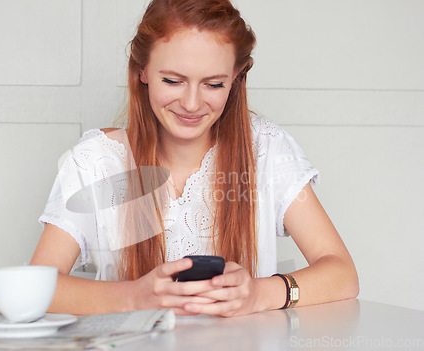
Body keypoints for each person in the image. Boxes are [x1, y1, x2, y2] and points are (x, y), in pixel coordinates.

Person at [30, 0, 358, 317]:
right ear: (142, 70)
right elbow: (37, 288)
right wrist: (135, 297)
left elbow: (342, 273)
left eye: (213, 84)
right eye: (172, 80)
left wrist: (259, 294)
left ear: (236, 77)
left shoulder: (266, 149)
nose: (191, 103)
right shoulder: (98, 161)